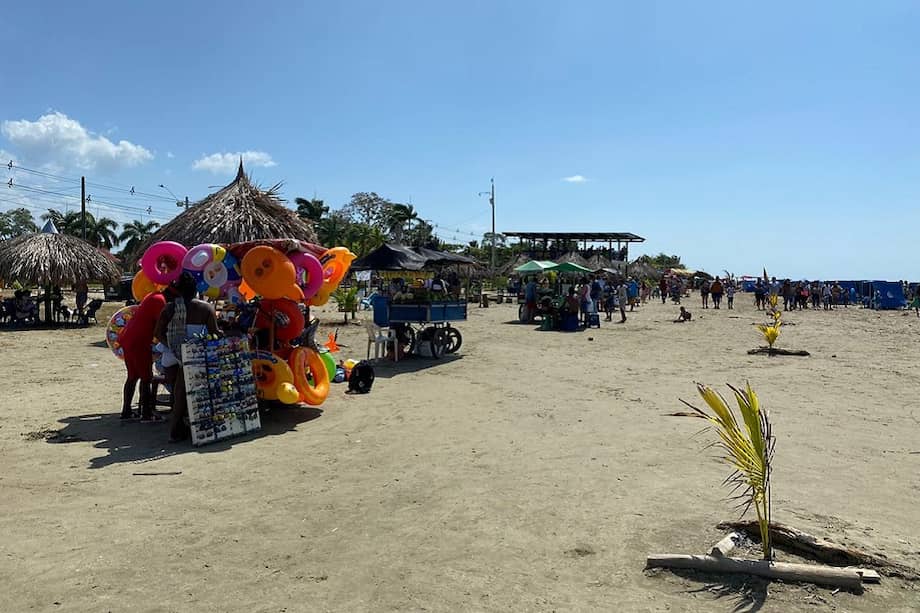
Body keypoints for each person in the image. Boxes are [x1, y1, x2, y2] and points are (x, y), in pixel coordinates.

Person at [154, 272, 220, 442]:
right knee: (182, 391)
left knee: (177, 390)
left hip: (170, 355)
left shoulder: (170, 308)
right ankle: (175, 429)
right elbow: (214, 334)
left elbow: (158, 333)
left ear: (178, 290)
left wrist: (173, 346)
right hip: (192, 355)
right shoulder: (206, 308)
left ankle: (179, 424)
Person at [117, 289, 168, 421]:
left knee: (132, 376)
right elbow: (161, 326)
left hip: (128, 337)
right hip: (139, 341)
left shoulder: (152, 295)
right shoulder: (160, 301)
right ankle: (146, 413)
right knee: (146, 378)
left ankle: (126, 411)